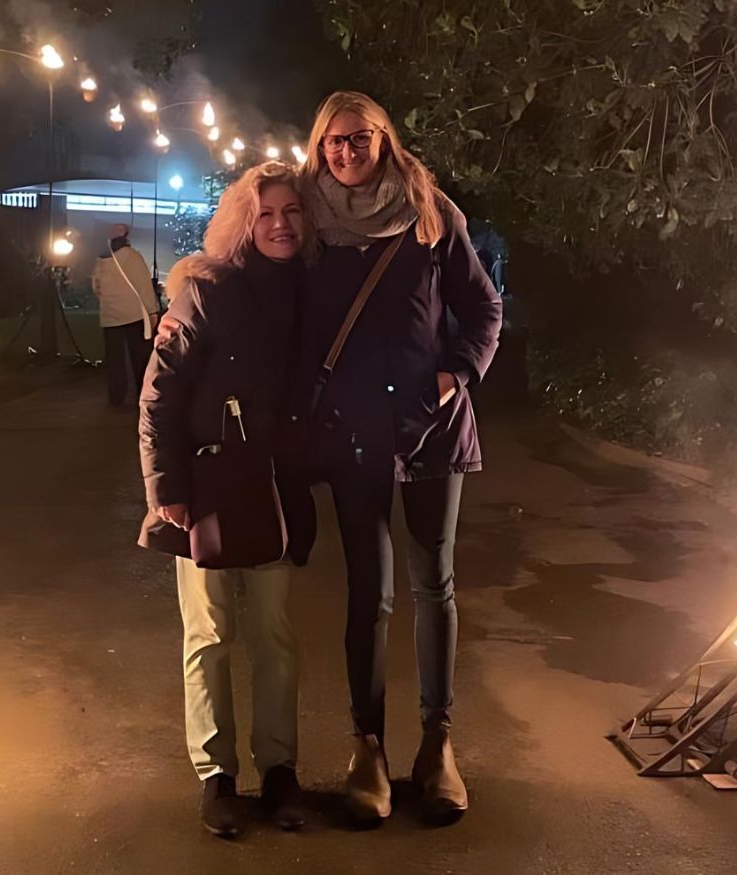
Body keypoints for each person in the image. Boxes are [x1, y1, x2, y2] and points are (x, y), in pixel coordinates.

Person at [297, 91, 502, 823]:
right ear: (318, 149)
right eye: (331, 143)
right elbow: (264, 289)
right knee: (368, 593)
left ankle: (437, 742)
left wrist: (456, 376)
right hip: (354, 434)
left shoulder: (430, 214)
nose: (344, 154)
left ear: (384, 138)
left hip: (433, 428)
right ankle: (368, 747)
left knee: (433, 583)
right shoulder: (311, 221)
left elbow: (483, 308)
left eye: (357, 139)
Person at [137, 162, 313, 837]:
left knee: (275, 634)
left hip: (275, 489)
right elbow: (159, 396)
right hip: (207, 489)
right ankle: (216, 776)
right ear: (243, 219)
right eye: (265, 212)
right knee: (208, 634)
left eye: (292, 210)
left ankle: (280, 771)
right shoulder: (205, 292)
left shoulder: (311, 291)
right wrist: (165, 491)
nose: (280, 223)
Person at [92, 223, 160, 407]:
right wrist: (152, 310)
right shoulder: (133, 257)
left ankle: (116, 397)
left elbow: (96, 287)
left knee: (115, 361)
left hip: (110, 317)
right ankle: (142, 395)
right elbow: (144, 286)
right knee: (140, 358)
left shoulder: (101, 259)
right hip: (134, 315)